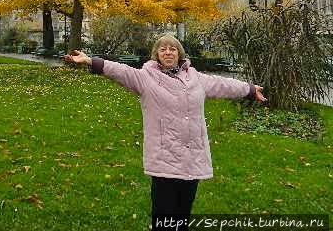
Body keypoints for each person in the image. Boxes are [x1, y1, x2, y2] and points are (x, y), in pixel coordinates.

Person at [65, 34, 266, 231]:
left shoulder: (195, 77)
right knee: (164, 217)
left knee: (182, 216)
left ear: (179, 53)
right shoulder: (145, 78)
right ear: (156, 54)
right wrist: (90, 61)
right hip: (164, 157)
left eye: (172, 49)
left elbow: (222, 85)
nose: (168, 52)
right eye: (163, 49)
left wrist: (248, 89)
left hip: (192, 157)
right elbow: (121, 71)